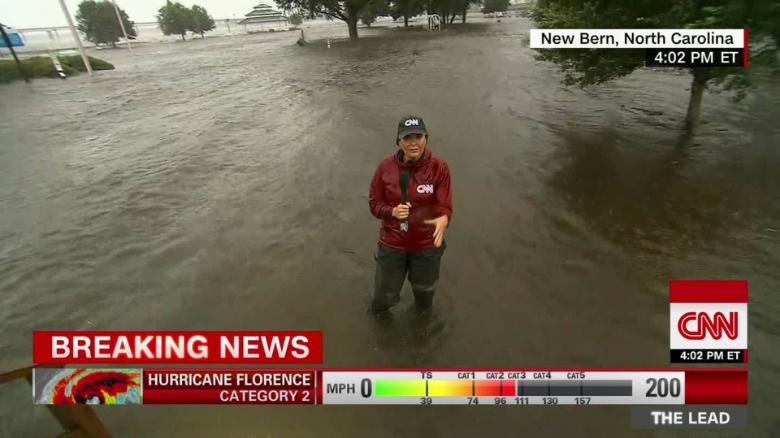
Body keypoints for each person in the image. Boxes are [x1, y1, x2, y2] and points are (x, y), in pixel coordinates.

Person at [368, 115, 452, 315]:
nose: (414, 143)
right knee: (382, 300)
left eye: (418, 136)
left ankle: (422, 338)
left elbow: (445, 206)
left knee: (424, 297)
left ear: (426, 138)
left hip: (426, 246)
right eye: (407, 138)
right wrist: (392, 211)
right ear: (399, 141)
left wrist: (443, 218)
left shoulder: (439, 168)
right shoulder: (385, 168)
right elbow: (374, 204)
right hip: (392, 243)